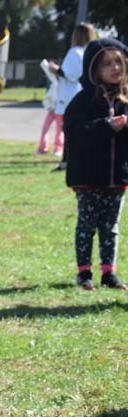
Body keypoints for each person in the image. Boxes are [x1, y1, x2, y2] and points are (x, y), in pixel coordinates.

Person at [64, 38, 128, 291]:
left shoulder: (124, 101)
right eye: (107, 64)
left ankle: (109, 272)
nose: (115, 68)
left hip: (117, 178)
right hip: (88, 177)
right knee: (87, 225)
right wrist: (107, 126)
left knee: (111, 227)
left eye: (119, 63)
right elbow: (76, 135)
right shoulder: (83, 102)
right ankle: (84, 273)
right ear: (94, 69)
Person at [50, 22, 96, 169]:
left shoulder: (74, 52)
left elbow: (70, 74)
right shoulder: (87, 53)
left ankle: (67, 161)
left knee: (70, 129)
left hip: (70, 96)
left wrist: (55, 70)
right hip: (80, 93)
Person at [37, 58, 61, 154]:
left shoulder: (61, 80)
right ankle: (42, 148)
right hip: (52, 108)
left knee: (59, 130)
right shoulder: (52, 82)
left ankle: (58, 149)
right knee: (45, 128)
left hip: (60, 108)